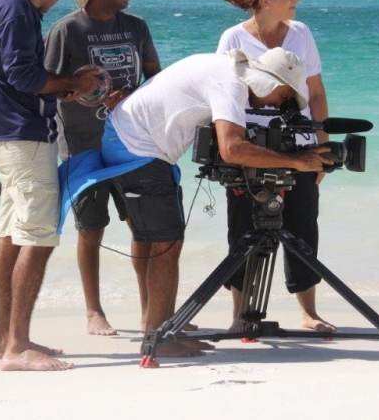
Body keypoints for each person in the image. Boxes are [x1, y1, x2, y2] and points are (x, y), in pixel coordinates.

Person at [60, 47, 333, 357]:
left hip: (128, 138)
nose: (278, 104)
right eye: (282, 96)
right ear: (270, 83)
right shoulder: (231, 84)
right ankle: (160, 338)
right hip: (138, 146)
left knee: (156, 240)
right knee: (167, 243)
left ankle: (159, 330)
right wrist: (297, 162)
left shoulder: (227, 70)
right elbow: (233, 149)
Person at [0, 0, 99, 371]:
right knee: (38, 238)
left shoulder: (0, 5)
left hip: (5, 136)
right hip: (23, 137)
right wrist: (71, 85)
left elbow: (15, 74)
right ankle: (17, 348)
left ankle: (5, 339)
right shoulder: (19, 11)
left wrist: (64, 85)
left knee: (11, 235)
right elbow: (23, 75)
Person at [44, 0, 161, 336]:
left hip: (132, 144)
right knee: (90, 229)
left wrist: (131, 97)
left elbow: (156, 80)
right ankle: (94, 312)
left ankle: (151, 311)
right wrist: (84, 90)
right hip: (83, 145)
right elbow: (47, 87)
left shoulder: (136, 27)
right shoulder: (67, 31)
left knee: (143, 228)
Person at [217, 0, 336, 333]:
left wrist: (323, 149)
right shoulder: (233, 39)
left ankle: (309, 313)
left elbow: (315, 92)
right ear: (266, 1)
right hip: (251, 149)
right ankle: (240, 314)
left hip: (298, 143)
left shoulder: (301, 34)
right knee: (243, 229)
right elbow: (225, 99)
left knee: (303, 225)